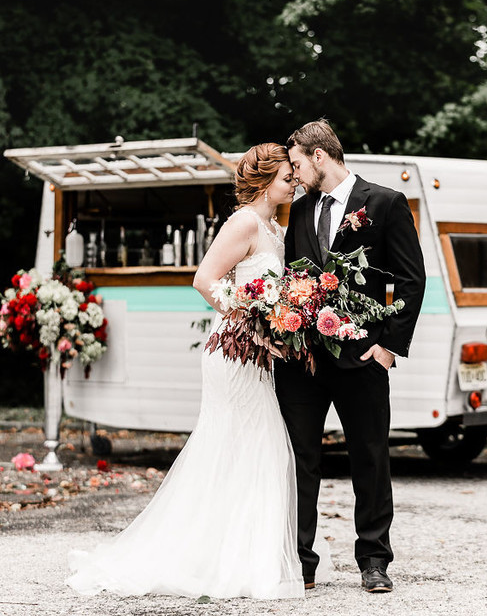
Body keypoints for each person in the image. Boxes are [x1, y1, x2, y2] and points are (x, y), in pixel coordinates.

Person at [66, 143, 305, 600]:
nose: (293, 182)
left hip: (254, 354)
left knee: (258, 444)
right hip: (233, 352)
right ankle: (217, 556)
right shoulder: (244, 222)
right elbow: (204, 279)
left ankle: (241, 553)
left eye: (294, 176)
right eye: (286, 176)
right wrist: (249, 326)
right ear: (263, 180)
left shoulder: (275, 228)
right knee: (240, 441)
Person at [275, 119, 426, 594]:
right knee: (300, 461)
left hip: (363, 357)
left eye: (297, 164)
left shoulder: (384, 203)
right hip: (301, 363)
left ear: (320, 156)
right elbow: (287, 278)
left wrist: (389, 345)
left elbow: (410, 279)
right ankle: (301, 562)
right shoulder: (297, 213)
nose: (295, 174)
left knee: (370, 456)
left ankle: (374, 559)